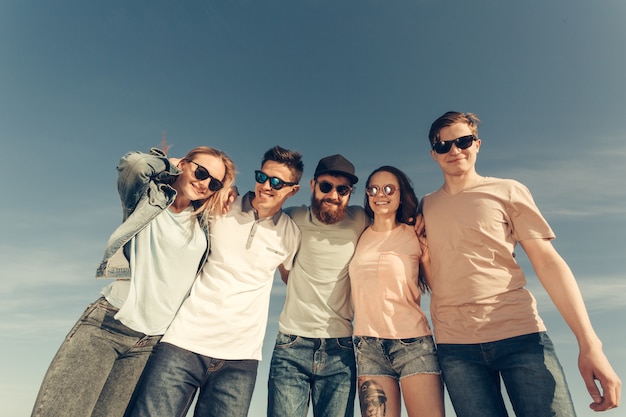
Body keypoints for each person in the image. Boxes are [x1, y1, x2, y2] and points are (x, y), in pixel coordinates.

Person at [419, 111, 621, 416]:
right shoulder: (424, 206)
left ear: (477, 144)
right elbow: (433, 274)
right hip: (456, 349)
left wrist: (590, 343)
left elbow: (548, 263)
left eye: (463, 141)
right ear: (433, 154)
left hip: (521, 336)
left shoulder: (508, 190)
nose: (454, 150)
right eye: (444, 145)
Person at [31, 145, 236, 417]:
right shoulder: (148, 197)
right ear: (184, 164)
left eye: (215, 182)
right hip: (107, 326)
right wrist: (169, 164)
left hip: (150, 345)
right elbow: (135, 165)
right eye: (200, 172)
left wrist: (226, 193)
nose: (205, 183)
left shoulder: (203, 223)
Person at [125, 145, 303, 417]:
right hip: (182, 343)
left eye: (277, 182)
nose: (266, 186)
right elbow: (178, 185)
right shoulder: (219, 206)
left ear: (293, 190)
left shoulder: (290, 234)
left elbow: (294, 281)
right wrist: (176, 164)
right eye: (262, 176)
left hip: (240, 360)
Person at [267, 154, 369, 417]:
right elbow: (260, 217)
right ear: (313, 185)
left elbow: (395, 219)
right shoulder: (293, 218)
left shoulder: (360, 219)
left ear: (350, 193)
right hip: (291, 346)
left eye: (343, 189)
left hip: (340, 350)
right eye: (326, 186)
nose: (334, 195)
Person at [349, 166, 445, 417]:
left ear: (401, 195)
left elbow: (436, 285)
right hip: (368, 348)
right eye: (374, 189)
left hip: (413, 346)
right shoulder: (358, 234)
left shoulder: (415, 233)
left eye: (389, 188)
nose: (381, 194)